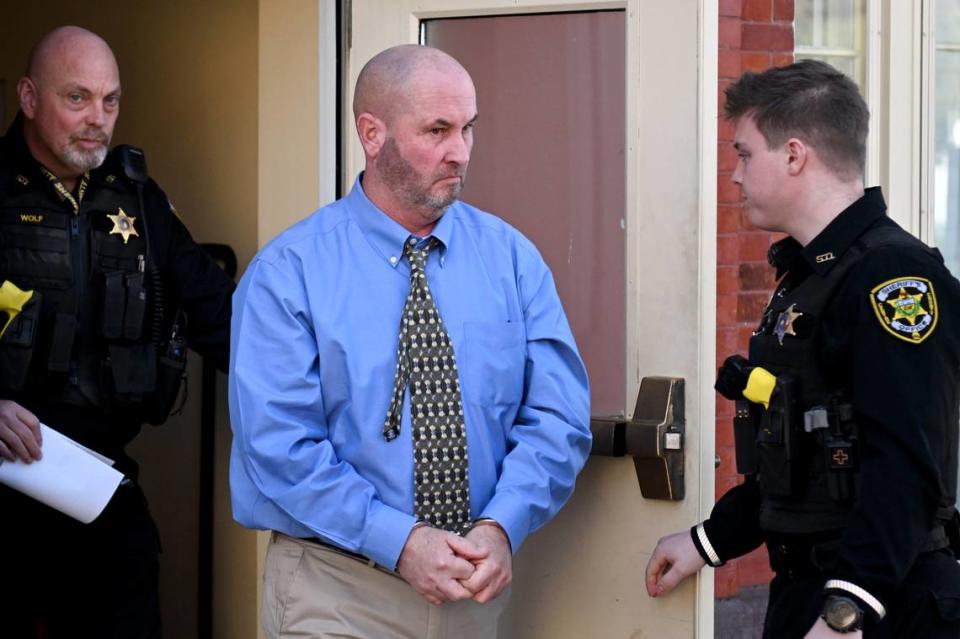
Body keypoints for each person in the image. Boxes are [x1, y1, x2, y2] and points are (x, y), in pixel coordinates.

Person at [229, 44, 591, 638]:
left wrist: (502, 525)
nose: (460, 151)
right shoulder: (289, 273)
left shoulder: (511, 259)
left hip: (473, 593)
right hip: (337, 589)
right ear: (372, 134)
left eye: (468, 127)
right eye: (438, 130)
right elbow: (279, 445)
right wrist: (398, 542)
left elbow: (557, 416)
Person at [646, 59, 960, 638]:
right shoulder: (810, 277)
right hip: (809, 594)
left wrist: (848, 610)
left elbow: (909, 469)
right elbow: (798, 458)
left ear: (794, 155)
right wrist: (710, 540)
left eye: (743, 154)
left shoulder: (893, 278)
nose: (734, 175)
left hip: (884, 606)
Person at [0, 26, 234, 638]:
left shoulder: (135, 197)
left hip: (95, 480)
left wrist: (324, 393)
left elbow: (220, 316)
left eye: (111, 100)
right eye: (77, 98)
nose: (97, 120)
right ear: (28, 97)